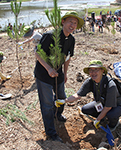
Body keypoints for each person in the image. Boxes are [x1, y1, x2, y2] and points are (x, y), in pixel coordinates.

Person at [34, 11, 84, 142]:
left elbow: (67, 58)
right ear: (63, 22)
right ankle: (51, 133)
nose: (72, 25)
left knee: (61, 97)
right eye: (70, 22)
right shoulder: (50, 36)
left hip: (58, 72)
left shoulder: (71, 39)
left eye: (75, 23)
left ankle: (58, 114)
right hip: (43, 73)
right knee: (47, 104)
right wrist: (49, 68)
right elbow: (38, 54)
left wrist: (65, 73)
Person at [55, 60, 121, 131]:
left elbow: (108, 107)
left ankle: (113, 124)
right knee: (85, 109)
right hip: (102, 103)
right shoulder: (90, 81)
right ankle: (103, 117)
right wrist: (64, 101)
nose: (93, 73)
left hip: (116, 106)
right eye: (91, 70)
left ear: (102, 71)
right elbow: (78, 95)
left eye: (96, 70)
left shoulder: (110, 85)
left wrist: (98, 119)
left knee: (111, 115)